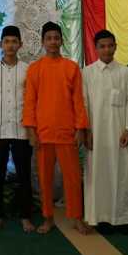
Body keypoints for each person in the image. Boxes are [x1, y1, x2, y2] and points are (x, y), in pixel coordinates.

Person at [24, 21, 91, 235]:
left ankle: (76, 217)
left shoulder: (71, 67)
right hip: (43, 134)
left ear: (61, 41)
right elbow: (29, 102)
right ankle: (48, 217)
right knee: (45, 179)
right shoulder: (35, 69)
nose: (53, 42)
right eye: (49, 38)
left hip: (67, 132)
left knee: (73, 178)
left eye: (56, 38)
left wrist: (80, 129)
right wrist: (31, 131)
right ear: (43, 42)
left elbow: (78, 101)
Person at [82, 30, 128, 233]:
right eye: (102, 46)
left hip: (121, 135)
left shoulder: (124, 72)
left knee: (123, 175)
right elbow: (84, 104)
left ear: (115, 46)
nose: (106, 50)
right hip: (96, 135)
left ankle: (123, 219)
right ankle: (101, 218)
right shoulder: (87, 73)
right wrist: (87, 132)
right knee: (98, 175)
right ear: (96, 48)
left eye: (110, 46)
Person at [0, 25, 34, 233]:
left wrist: (32, 129)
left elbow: (32, 100)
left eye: (14, 41)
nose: (10, 45)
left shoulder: (28, 69)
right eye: (7, 42)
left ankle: (26, 216)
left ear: (20, 44)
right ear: (0, 44)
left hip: (22, 129)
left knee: (24, 175)